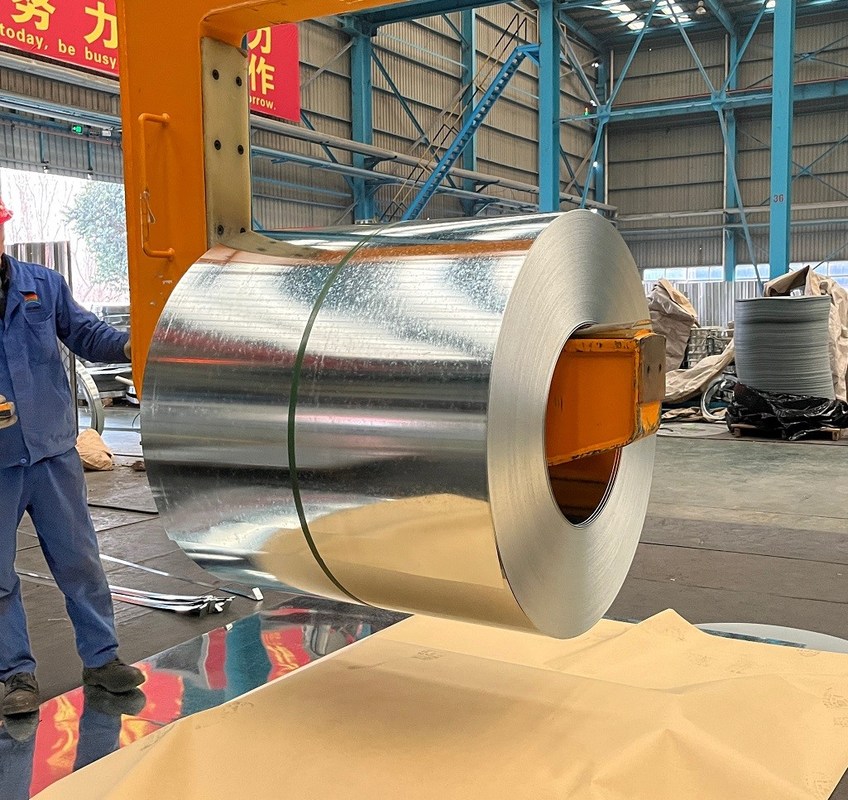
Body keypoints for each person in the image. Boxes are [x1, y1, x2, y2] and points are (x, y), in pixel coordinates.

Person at [0, 197, 144, 716]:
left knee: (79, 560)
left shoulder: (42, 284)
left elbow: (85, 333)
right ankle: (15, 674)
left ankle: (102, 659)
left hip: (53, 454)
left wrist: (132, 345)